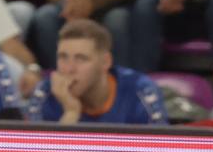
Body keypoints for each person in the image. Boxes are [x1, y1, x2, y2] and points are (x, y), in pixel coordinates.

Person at [31, 17, 168, 125]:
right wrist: (71, 113)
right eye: (63, 57)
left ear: (105, 62)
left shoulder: (141, 91)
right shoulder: (45, 93)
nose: (69, 69)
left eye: (81, 58)